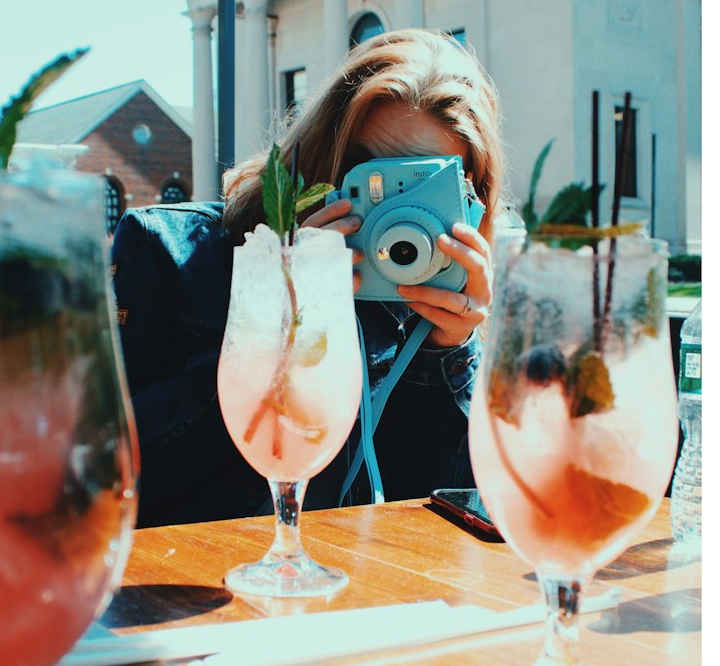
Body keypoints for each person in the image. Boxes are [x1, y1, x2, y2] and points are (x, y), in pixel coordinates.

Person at [110, 28, 510, 527]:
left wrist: (448, 353)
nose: (391, 220)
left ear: (471, 202)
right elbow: (107, 476)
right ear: (320, 155)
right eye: (368, 176)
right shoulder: (166, 250)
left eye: (423, 188)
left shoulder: (437, 308)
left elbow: (444, 527)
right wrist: (274, 328)